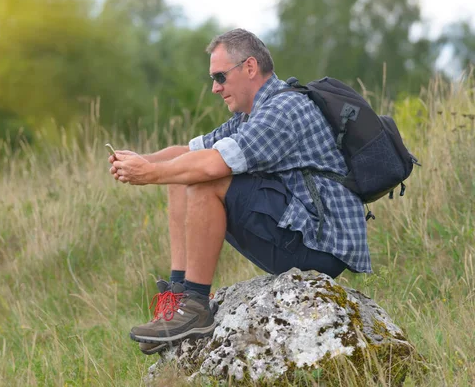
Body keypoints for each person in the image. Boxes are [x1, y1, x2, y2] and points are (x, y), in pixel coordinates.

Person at [108, 28, 371, 354]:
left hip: (322, 246)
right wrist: (137, 161)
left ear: (249, 67)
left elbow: (213, 166)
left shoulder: (283, 110)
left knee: (206, 179)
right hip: (301, 233)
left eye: (220, 76)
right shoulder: (250, 114)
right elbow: (188, 154)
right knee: (183, 171)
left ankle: (195, 306)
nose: (215, 88)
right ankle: (178, 297)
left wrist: (149, 174)